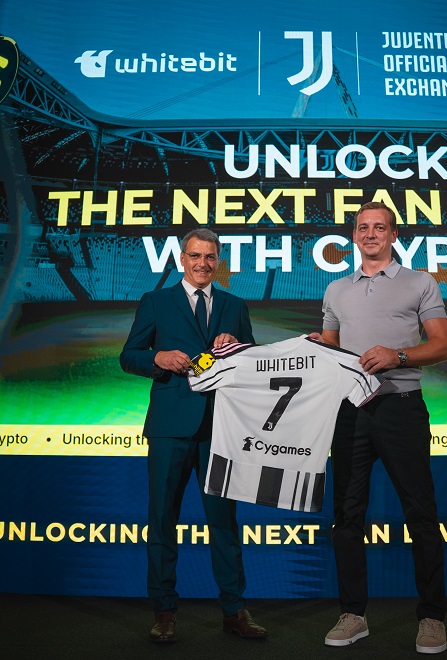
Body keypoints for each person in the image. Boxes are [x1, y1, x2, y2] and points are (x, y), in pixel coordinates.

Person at [313, 202, 447, 653]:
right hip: (350, 413)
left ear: (394, 235)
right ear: (354, 236)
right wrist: (316, 348)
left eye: (380, 227)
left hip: (401, 409)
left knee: (421, 513)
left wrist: (400, 355)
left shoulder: (420, 282)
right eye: (363, 227)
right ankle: (353, 615)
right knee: (347, 517)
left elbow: (443, 346)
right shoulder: (336, 289)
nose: (370, 234)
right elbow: (331, 349)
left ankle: (431, 617)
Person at [120, 228, 267, 644]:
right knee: (162, 520)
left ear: (218, 261)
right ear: (182, 258)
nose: (203, 263)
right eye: (196, 256)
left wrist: (237, 346)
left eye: (210, 257)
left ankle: (234, 611)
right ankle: (164, 611)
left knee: (224, 523)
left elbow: (252, 362)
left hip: (221, 428)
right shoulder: (156, 301)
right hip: (170, 428)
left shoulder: (235, 306)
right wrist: (158, 357)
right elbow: (128, 356)